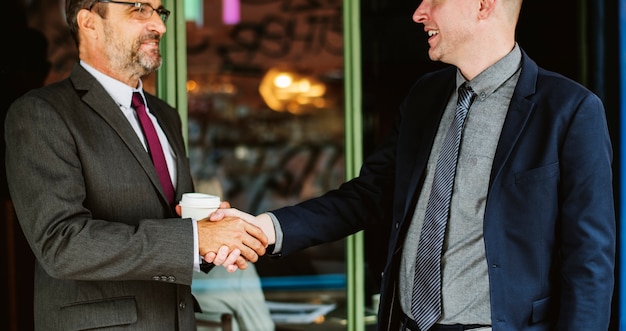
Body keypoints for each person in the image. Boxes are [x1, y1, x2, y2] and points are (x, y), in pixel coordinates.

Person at [212, 0, 616, 330]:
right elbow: (370, 196)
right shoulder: (425, 97)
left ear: (483, 5)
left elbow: (590, 261)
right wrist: (263, 229)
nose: (419, 13)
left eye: (434, 1)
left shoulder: (569, 110)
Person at [4, 0, 267, 330]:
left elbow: (177, 230)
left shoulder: (166, 116)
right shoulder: (41, 113)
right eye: (140, 9)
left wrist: (212, 240)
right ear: (89, 22)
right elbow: (62, 244)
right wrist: (195, 239)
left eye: (160, 12)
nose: (160, 26)